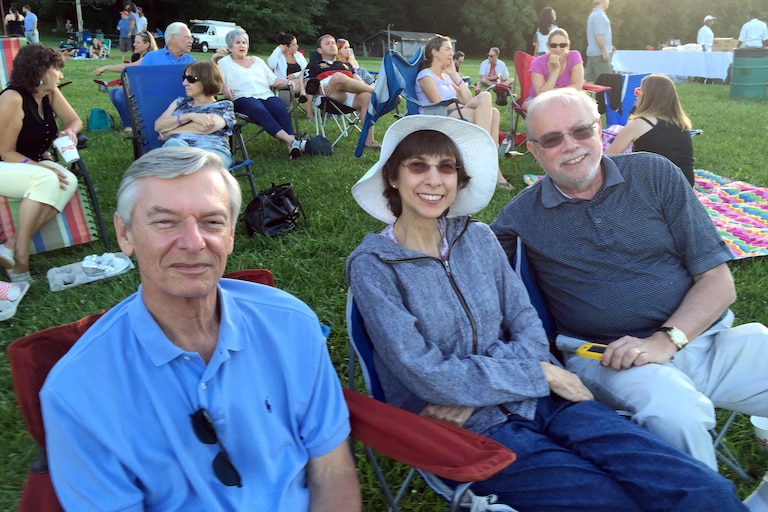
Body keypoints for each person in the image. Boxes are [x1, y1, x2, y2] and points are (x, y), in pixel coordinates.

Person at [346, 114, 748, 512]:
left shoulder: (479, 238)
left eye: (446, 167)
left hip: (547, 400)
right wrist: (540, 373)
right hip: (466, 429)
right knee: (609, 503)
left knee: (697, 488)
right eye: (418, 166)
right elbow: (424, 372)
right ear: (393, 177)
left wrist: (496, 384)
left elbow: (526, 323)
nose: (434, 180)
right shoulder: (374, 266)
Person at [40, 146, 361, 510]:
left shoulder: (292, 325)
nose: (193, 243)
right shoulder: (76, 391)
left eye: (212, 221)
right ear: (125, 234)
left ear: (231, 235)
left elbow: (332, 470)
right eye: (165, 222)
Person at [490, 88, 768, 471]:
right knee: (676, 413)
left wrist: (665, 340)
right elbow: (462, 269)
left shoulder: (654, 173)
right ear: (535, 151)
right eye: (552, 140)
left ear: (599, 129)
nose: (571, 146)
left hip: (702, 339)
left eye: (581, 131)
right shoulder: (520, 217)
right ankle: (707, 497)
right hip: (608, 358)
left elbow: (718, 280)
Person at [0, 44, 81, 282]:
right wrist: (41, 166)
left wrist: (70, 132)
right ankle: (21, 260)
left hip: (27, 163)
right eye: (57, 69)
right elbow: (5, 152)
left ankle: (12, 245)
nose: (61, 75)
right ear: (40, 72)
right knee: (47, 177)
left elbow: (74, 121)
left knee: (69, 181)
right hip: (5, 163)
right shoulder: (12, 99)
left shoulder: (49, 92)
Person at [415, 34, 510, 189]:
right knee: (486, 98)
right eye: (447, 49)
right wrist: (461, 106)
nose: (451, 53)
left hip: (456, 110)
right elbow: (439, 104)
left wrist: (453, 74)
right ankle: (491, 166)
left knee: (494, 112)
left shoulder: (445, 76)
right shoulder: (425, 76)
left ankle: (490, 164)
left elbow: (467, 99)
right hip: (439, 116)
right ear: (435, 52)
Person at [213, 28, 304, 159]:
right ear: (230, 46)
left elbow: (272, 80)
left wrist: (287, 82)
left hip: (265, 94)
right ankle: (292, 141)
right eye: (238, 42)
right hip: (242, 97)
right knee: (259, 110)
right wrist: (224, 87)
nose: (242, 45)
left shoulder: (257, 61)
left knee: (279, 108)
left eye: (244, 42)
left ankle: (292, 147)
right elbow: (216, 83)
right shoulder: (224, 63)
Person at [606, 74, 694, 186]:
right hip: (684, 187)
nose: (636, 96)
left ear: (647, 97)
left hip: (654, 189)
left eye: (638, 91)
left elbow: (607, 159)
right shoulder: (681, 124)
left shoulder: (639, 124)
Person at [305, 34, 379, 149]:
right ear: (319, 50)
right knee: (338, 76)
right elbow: (306, 83)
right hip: (328, 96)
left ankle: (369, 142)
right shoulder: (313, 65)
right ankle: (377, 93)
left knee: (367, 97)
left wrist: (364, 88)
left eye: (333, 43)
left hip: (349, 97)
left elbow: (359, 81)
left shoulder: (346, 65)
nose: (332, 45)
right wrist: (317, 87)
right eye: (327, 43)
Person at [155, 61, 234, 167]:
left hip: (211, 150)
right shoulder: (179, 102)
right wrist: (190, 116)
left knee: (204, 161)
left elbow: (206, 127)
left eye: (191, 79)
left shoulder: (223, 105)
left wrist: (169, 132)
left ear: (207, 80)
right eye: (184, 78)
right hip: (179, 149)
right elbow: (158, 126)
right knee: (173, 144)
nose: (184, 83)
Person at [93, 30, 158, 131]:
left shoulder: (151, 57)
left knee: (120, 94)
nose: (134, 44)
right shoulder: (135, 56)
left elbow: (130, 67)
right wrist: (123, 84)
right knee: (114, 92)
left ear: (147, 44)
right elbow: (130, 75)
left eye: (137, 42)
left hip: (151, 91)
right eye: (134, 42)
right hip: (139, 88)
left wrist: (106, 67)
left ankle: (131, 125)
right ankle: (128, 124)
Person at [529, 28, 584, 100]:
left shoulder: (574, 56)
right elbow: (541, 95)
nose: (558, 49)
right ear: (548, 46)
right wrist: (556, 70)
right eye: (553, 45)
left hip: (567, 99)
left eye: (562, 45)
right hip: (539, 101)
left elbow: (577, 87)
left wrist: (554, 93)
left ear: (568, 45)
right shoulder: (537, 63)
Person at [267, 32, 309, 103]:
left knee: (306, 81)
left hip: (298, 82)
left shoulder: (298, 55)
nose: (297, 46)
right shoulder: (279, 56)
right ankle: (302, 92)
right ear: (287, 46)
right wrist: (278, 49)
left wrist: (295, 75)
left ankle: (302, 92)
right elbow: (271, 65)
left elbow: (306, 69)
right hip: (285, 83)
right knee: (302, 84)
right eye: (294, 45)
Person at [585, 0, 613, 82]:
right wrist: (604, 50)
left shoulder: (593, 14)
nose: (608, 2)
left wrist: (609, 46)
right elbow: (599, 35)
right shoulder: (599, 16)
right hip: (599, 54)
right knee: (605, 81)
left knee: (586, 79)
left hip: (593, 52)